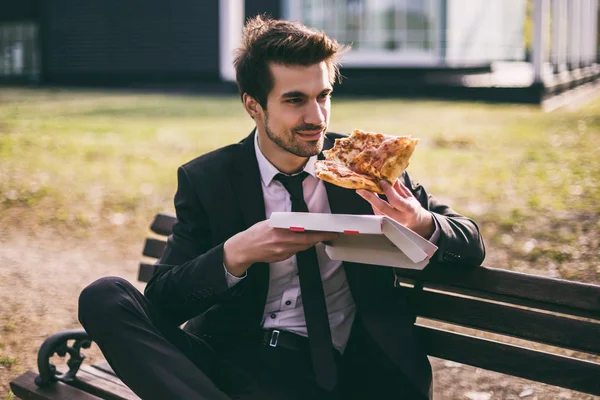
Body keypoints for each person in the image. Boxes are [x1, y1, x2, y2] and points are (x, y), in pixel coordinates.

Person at [78, 15, 485, 400]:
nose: (316, 117)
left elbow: (470, 244)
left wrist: (419, 221)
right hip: (242, 364)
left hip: (356, 371)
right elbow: (164, 302)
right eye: (295, 100)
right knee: (104, 297)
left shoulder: (364, 163)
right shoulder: (209, 179)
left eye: (323, 96)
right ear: (253, 105)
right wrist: (235, 255)